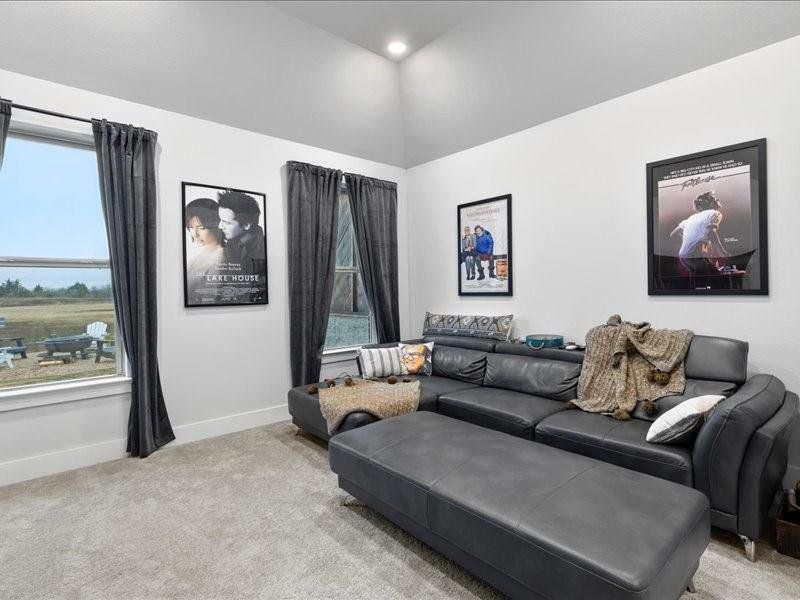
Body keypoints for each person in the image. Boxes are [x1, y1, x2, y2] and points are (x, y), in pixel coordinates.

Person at [670, 191, 729, 281]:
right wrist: (721, 251)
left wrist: (689, 239)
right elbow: (711, 232)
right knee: (716, 279)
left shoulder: (690, 218)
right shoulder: (714, 213)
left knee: (697, 279)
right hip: (695, 254)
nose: (717, 199)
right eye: (715, 198)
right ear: (711, 203)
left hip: (683, 255)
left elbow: (673, 235)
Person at [218, 190, 266, 284]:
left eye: (227, 222)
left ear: (246, 225)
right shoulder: (231, 242)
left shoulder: (261, 253)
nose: (220, 226)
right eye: (220, 220)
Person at [185, 198, 225, 304]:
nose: (195, 234)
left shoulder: (220, 259)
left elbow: (209, 300)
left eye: (201, 228)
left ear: (217, 226)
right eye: (190, 227)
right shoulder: (200, 255)